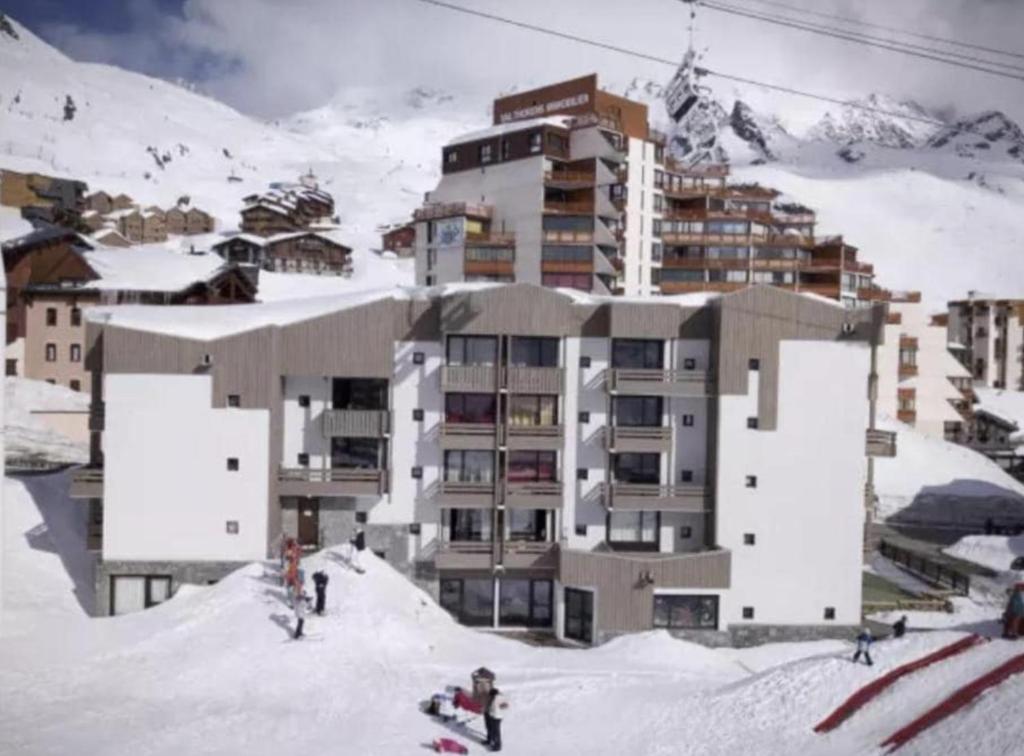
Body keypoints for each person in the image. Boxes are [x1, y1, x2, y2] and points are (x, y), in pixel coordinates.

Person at [483, 687, 508, 752]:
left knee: (496, 732)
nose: (490, 696)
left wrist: (503, 705)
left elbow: (505, 705)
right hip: (491, 715)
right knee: (489, 728)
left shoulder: (499, 698)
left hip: (496, 717)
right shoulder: (493, 697)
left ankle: (497, 746)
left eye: (490, 695)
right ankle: (490, 740)